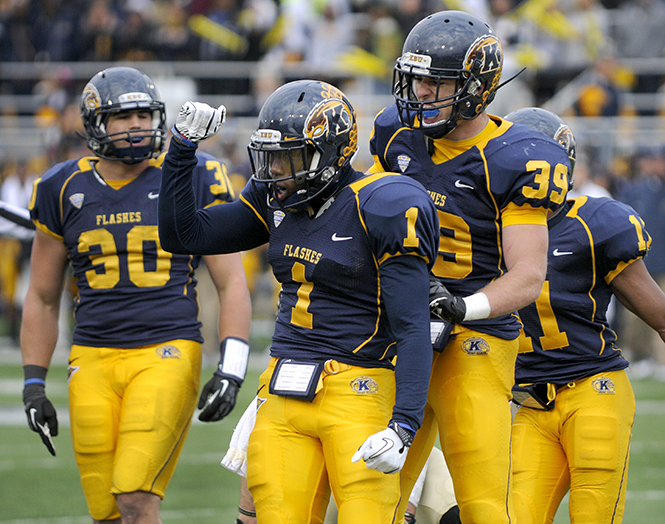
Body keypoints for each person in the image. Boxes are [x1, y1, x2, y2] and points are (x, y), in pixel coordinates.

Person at [158, 79, 440, 523]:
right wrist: (180, 152)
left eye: (290, 157)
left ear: (331, 153)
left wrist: (404, 425)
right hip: (284, 386)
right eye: (270, 158)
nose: (275, 172)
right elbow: (183, 235)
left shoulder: (383, 203)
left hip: (361, 388)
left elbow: (411, 326)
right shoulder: (274, 201)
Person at [20, 66, 252, 524]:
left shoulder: (194, 173)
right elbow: (43, 297)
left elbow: (231, 280)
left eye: (146, 115)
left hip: (166, 348)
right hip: (91, 358)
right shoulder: (60, 187)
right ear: (94, 123)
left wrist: (233, 367)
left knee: (135, 496)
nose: (138, 126)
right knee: (106, 511)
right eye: (124, 117)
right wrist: (32, 383)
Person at [368, 11, 571, 524]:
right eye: (415, 79)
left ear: (477, 87)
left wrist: (463, 306)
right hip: (400, 330)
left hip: (475, 338)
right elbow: (364, 219)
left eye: (436, 83)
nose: (420, 93)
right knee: (373, 501)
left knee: (483, 505)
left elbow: (527, 275)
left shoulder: (515, 156)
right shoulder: (396, 136)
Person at [505, 107, 665, 523]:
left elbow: (660, 315)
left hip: (594, 391)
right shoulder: (484, 233)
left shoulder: (595, 222)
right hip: (531, 403)